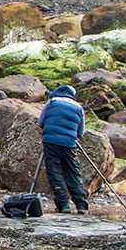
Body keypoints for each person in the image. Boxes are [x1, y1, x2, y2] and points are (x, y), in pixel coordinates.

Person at [38, 84, 88, 214]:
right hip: (69, 143)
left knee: (55, 172)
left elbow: (40, 122)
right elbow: (81, 132)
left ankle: (63, 205)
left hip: (50, 141)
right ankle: (81, 205)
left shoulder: (52, 102)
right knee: (72, 172)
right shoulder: (78, 107)